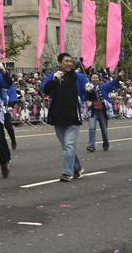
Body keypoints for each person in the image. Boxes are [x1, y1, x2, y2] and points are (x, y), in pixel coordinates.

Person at [42, 53, 93, 182]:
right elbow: (45, 90)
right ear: (60, 63)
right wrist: (53, 80)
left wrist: (90, 90)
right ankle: (77, 167)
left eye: (71, 61)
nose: (69, 63)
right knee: (66, 146)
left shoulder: (79, 78)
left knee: (69, 145)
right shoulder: (53, 77)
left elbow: (89, 95)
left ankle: (67, 173)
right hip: (57, 116)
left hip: (73, 117)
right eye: (66, 61)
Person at [86, 72, 121, 152]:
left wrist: (118, 76)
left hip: (102, 111)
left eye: (96, 78)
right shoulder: (87, 87)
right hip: (93, 111)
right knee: (91, 128)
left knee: (104, 130)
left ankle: (106, 144)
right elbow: (84, 97)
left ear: (99, 79)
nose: (95, 79)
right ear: (90, 79)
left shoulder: (103, 87)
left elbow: (112, 83)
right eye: (93, 78)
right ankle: (91, 146)